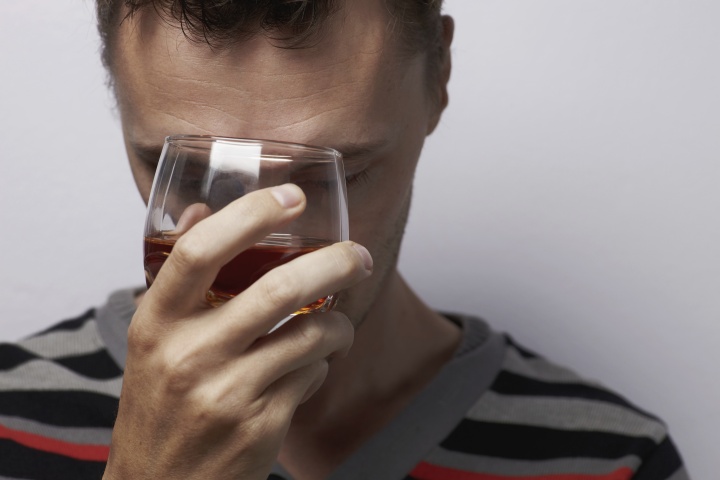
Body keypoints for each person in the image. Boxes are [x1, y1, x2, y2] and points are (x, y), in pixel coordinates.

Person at [0, 1, 689, 479]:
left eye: (340, 174)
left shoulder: (611, 459)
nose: (253, 260)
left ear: (439, 78)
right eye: (181, 172)